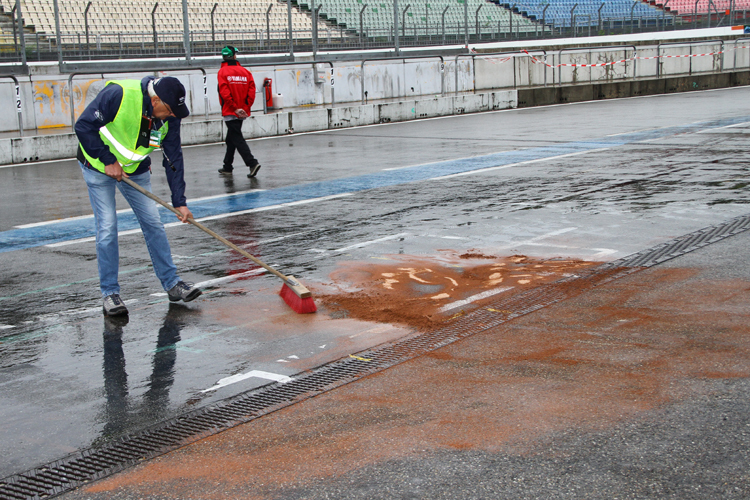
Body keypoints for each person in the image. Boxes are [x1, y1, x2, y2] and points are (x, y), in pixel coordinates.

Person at [75, 76, 202, 317]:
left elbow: (173, 156)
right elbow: (83, 126)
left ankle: (172, 284)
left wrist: (180, 202)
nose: (172, 117)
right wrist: (107, 160)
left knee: (153, 222)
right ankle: (110, 293)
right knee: (108, 226)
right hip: (98, 166)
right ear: (155, 100)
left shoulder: (170, 114)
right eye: (169, 112)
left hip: (135, 169)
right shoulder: (120, 95)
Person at [216, 45, 261, 178]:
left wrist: (234, 107)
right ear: (234, 56)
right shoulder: (245, 72)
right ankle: (227, 166)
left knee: (236, 137)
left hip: (231, 110)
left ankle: (252, 163)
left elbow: (224, 93)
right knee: (231, 138)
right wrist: (245, 108)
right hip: (242, 110)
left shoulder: (222, 72)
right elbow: (252, 92)